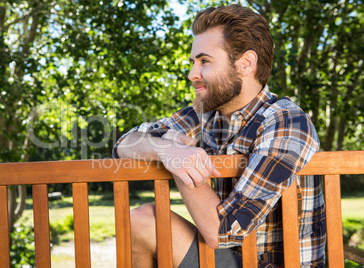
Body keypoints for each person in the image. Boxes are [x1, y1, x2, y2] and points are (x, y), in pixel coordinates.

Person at [113, 4, 326, 268]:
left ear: (245, 63)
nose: (192, 74)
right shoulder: (204, 115)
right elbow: (125, 143)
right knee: (141, 220)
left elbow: (223, 231)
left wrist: (183, 167)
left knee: (145, 221)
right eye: (193, 62)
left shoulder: (286, 121)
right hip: (234, 259)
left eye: (204, 61)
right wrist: (168, 151)